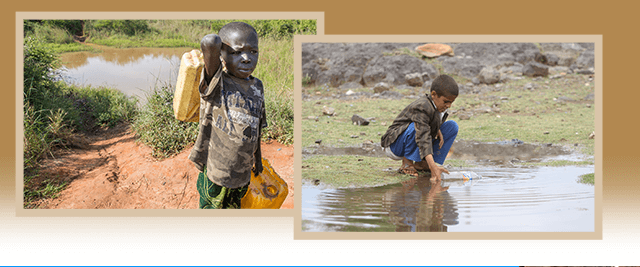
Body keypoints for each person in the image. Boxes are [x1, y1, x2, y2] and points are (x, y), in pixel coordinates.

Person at [188, 22, 267, 209]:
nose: (246, 58)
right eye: (236, 52)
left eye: (253, 52)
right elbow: (209, 42)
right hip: (216, 173)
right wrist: (218, 46)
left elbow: (256, 129)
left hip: (242, 174)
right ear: (222, 54)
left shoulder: (257, 87)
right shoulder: (216, 83)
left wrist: (257, 159)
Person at [381, 74, 459, 181]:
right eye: (446, 101)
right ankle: (407, 163)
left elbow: (429, 123)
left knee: (452, 126)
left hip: (416, 142)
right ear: (433, 94)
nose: (449, 106)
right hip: (395, 145)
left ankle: (422, 164)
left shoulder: (438, 106)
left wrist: (438, 128)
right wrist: (433, 167)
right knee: (416, 127)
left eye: (451, 102)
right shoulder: (422, 106)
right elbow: (422, 137)